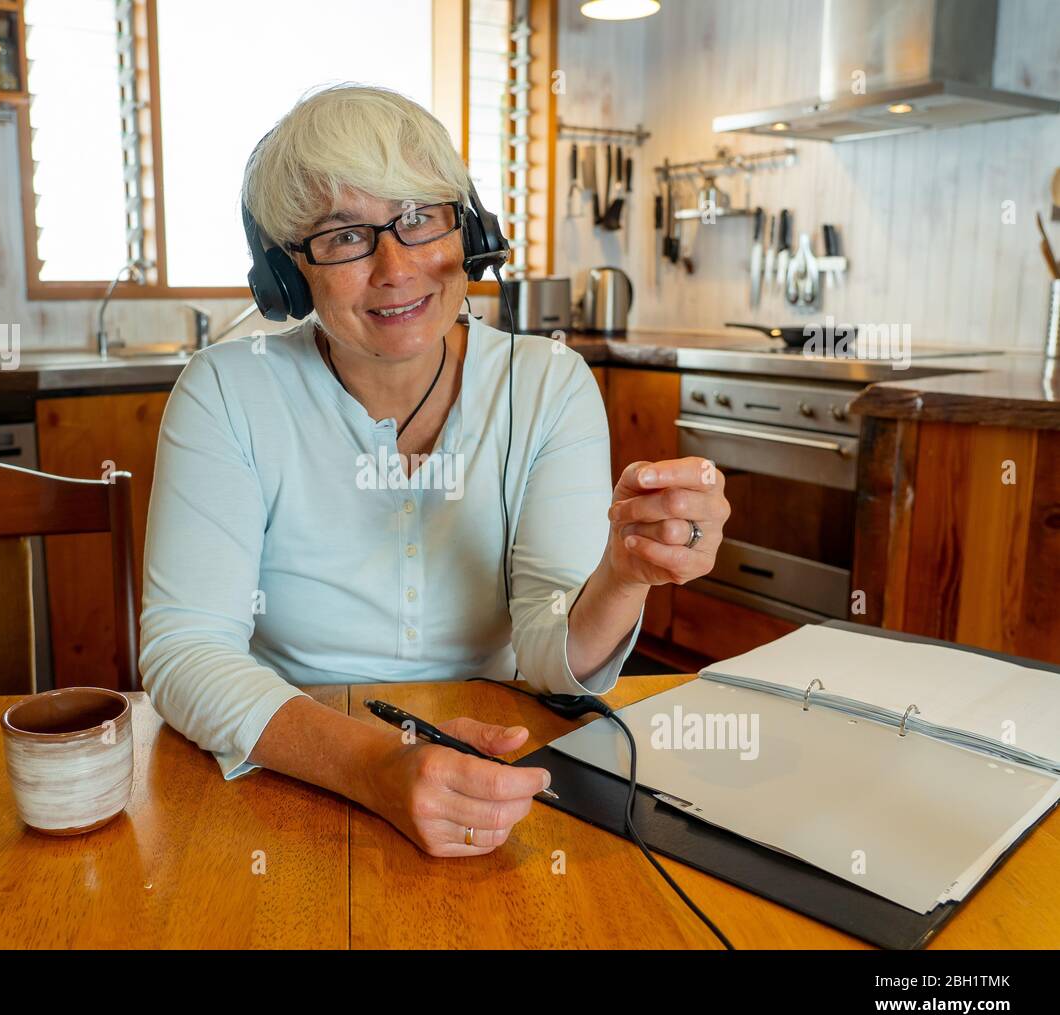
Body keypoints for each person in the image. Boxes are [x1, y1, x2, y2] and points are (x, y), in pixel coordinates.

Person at [139, 83, 730, 857]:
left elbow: (553, 662)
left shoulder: (548, 384)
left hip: (498, 763)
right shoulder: (227, 388)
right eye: (345, 236)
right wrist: (376, 766)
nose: (396, 267)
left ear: (470, 230)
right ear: (287, 275)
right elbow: (186, 652)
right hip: (286, 769)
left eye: (419, 218)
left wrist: (622, 575)